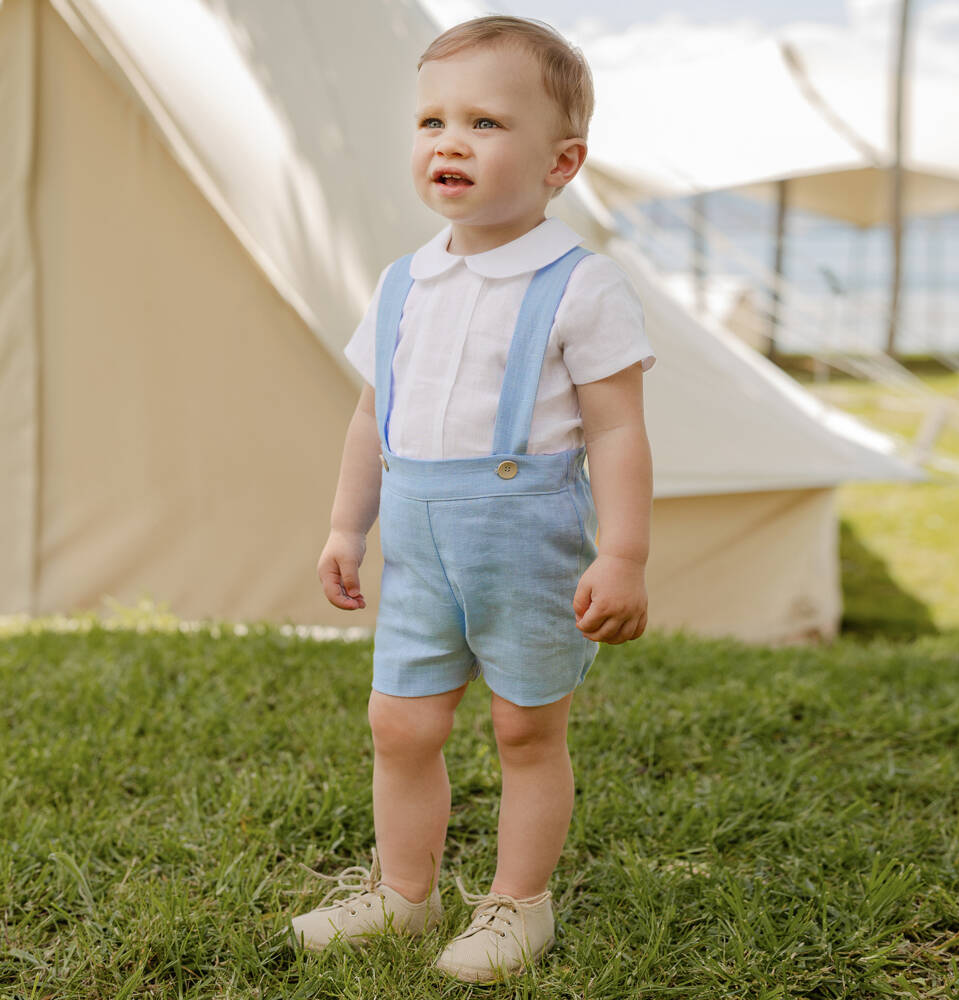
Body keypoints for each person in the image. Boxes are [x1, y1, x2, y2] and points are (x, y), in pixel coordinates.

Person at [289, 14, 654, 983]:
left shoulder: (582, 286)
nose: (448, 141)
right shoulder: (403, 281)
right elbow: (375, 416)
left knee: (525, 727)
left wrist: (622, 555)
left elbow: (617, 430)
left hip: (523, 543)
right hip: (415, 544)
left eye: (486, 123)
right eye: (431, 121)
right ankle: (405, 895)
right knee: (400, 722)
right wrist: (344, 524)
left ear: (560, 161)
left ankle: (516, 904)